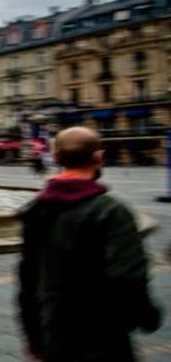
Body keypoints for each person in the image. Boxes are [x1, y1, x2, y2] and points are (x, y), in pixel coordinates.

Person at [18, 127, 162, 362]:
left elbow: (27, 281)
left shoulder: (36, 210)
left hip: (54, 334)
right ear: (99, 157)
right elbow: (128, 278)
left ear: (55, 158)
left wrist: (33, 337)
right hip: (102, 338)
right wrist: (147, 317)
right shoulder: (110, 211)